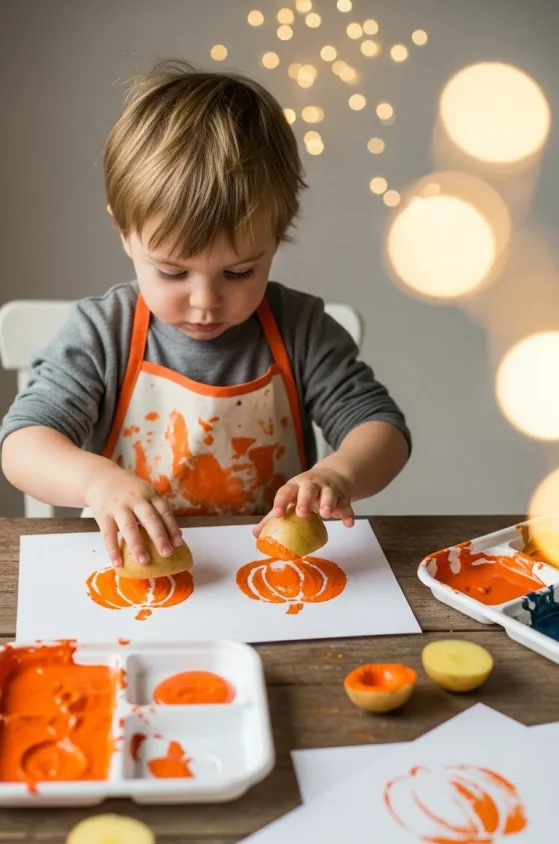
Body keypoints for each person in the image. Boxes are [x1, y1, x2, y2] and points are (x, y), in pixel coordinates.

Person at [0, 60, 411, 570]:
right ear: (125, 233)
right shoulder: (103, 334)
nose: (206, 300)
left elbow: (382, 429)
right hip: (134, 574)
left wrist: (340, 474)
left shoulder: (298, 328)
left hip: (271, 572)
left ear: (276, 239)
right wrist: (95, 481)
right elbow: (22, 445)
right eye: (173, 273)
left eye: (239, 272)